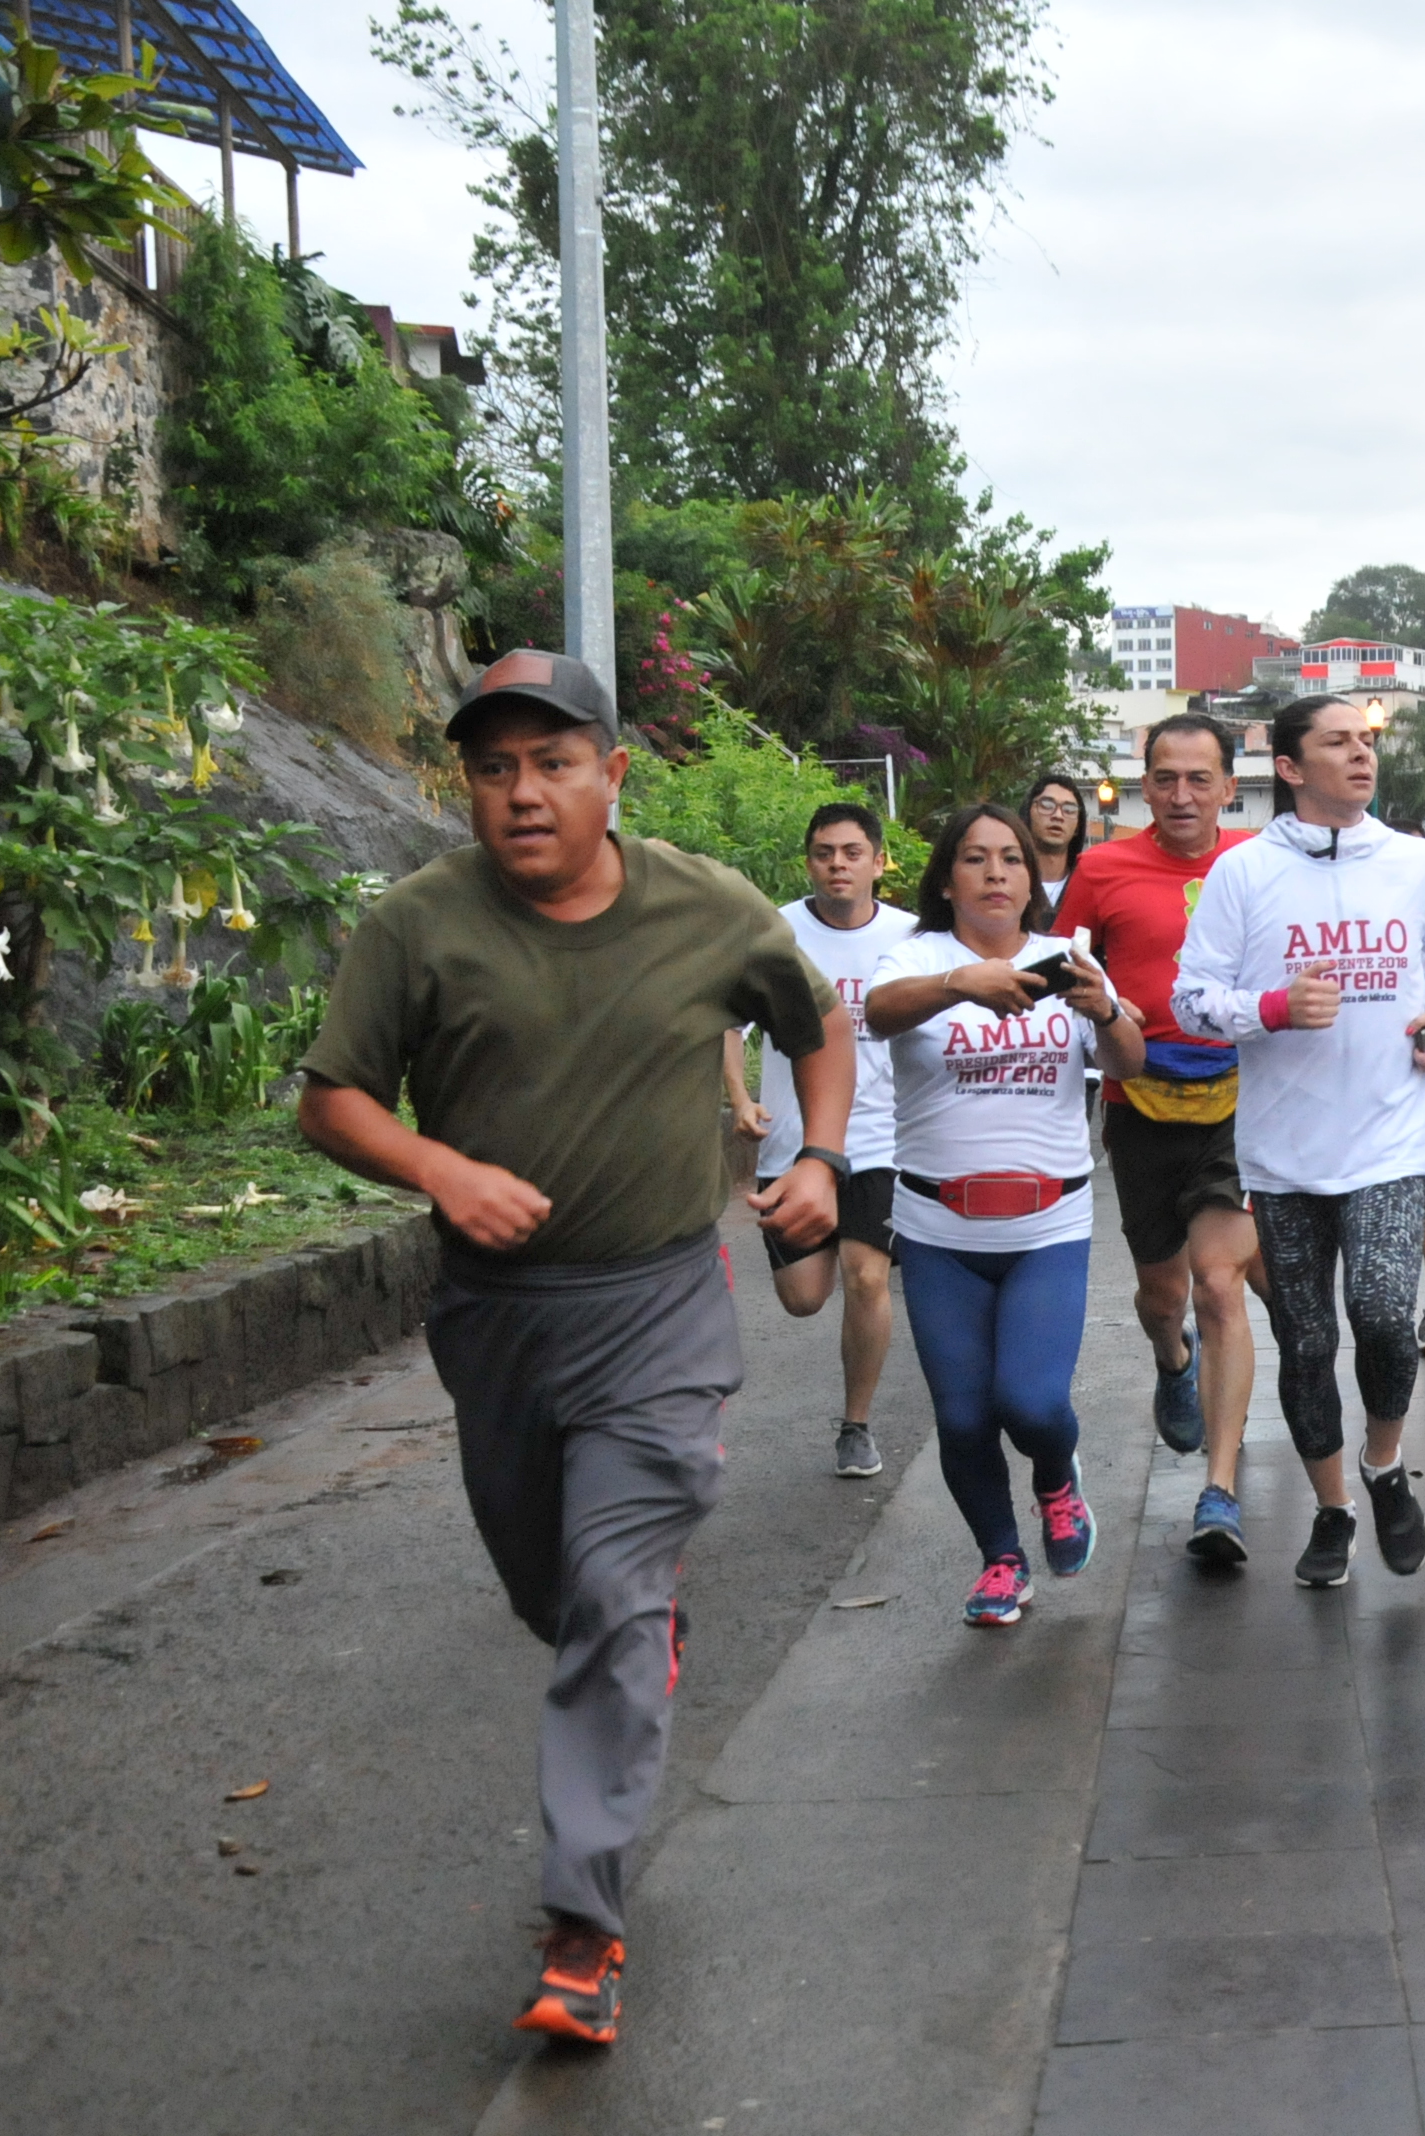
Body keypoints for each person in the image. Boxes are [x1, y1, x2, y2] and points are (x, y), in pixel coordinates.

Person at [295, 649, 846, 2047]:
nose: (523, 793)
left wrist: (823, 1153)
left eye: (552, 763)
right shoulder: (418, 927)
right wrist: (439, 1169)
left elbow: (815, 1024)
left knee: (608, 1593)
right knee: (556, 1592)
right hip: (497, 1322)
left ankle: (582, 1924)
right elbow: (335, 1097)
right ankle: (631, 1637)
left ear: (613, 772)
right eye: (494, 769)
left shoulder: (707, 908)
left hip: (657, 1305)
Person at [1173, 696, 1425, 1588]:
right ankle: (1333, 1507)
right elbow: (1192, 999)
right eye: (1338, 743)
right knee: (1307, 1343)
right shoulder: (1243, 875)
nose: (1361, 755)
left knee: (1385, 1316)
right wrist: (1269, 1009)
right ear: (1294, 768)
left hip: (1389, 1138)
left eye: (1367, 742)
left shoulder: (1417, 864)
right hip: (1282, 1153)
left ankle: (1384, 1463)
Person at [864, 805, 1140, 1625]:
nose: (995, 874)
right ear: (946, 879)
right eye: (975, 860)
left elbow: (1131, 1062)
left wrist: (1104, 1011)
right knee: (961, 1417)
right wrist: (959, 984)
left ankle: (1057, 1479)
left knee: (1031, 1403)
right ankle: (1000, 1560)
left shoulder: (1070, 960)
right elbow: (878, 1013)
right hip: (938, 1229)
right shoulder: (914, 958)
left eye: (1011, 860)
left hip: (1046, 1226)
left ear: (1032, 879)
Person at [1054, 715, 1265, 1557]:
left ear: (1227, 787)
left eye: (1199, 778)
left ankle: (1219, 1491)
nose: (1182, 794)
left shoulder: (1257, 864)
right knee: (1164, 1297)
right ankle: (1171, 1364)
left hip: (1243, 1102)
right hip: (1140, 1104)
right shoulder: (1101, 868)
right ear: (1145, 785)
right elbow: (1059, 968)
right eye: (1166, 778)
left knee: (1219, 1286)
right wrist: (1103, 1006)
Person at [719, 803, 916, 1479]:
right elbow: (729, 1021)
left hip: (881, 1138)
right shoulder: (775, 930)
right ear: (809, 862)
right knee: (804, 1297)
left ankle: (856, 1425)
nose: (838, 864)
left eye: (853, 852)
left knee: (867, 1277)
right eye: (825, 853)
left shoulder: (909, 936)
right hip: (794, 1146)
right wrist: (740, 1098)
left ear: (878, 862)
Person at [1018, 771, 1090, 909]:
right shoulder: (1008, 881)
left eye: (1069, 809)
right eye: (1047, 805)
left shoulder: (1087, 886)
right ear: (1028, 813)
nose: (1058, 815)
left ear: (1078, 825)